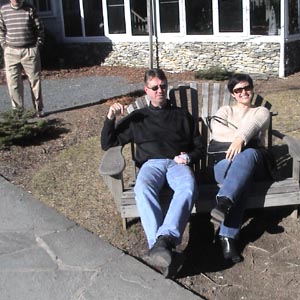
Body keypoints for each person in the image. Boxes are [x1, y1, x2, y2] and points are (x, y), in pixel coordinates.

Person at [101, 68, 204, 275]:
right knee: (143, 189)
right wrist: (110, 117)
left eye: (163, 86)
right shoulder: (137, 118)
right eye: (155, 87)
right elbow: (108, 142)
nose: (160, 90)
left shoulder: (182, 115)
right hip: (151, 164)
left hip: (177, 163)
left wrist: (188, 157)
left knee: (188, 187)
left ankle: (161, 244)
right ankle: (163, 246)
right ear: (146, 90)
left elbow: (200, 147)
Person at [209, 73, 271, 263]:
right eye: (238, 90)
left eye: (247, 88)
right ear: (233, 94)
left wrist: (239, 140)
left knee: (248, 155)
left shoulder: (261, 111)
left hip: (255, 164)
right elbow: (217, 130)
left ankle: (225, 201)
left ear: (252, 88)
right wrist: (246, 138)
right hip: (224, 165)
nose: (244, 92)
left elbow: (254, 124)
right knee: (241, 180)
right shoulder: (225, 110)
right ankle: (227, 237)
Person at [0, 0, 45, 117]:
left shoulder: (30, 9)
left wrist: (37, 46)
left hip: (29, 50)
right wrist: (4, 46)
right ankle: (18, 112)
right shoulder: (3, 10)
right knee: (13, 82)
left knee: (35, 81)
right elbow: (1, 30)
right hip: (11, 51)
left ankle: (38, 109)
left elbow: (39, 28)